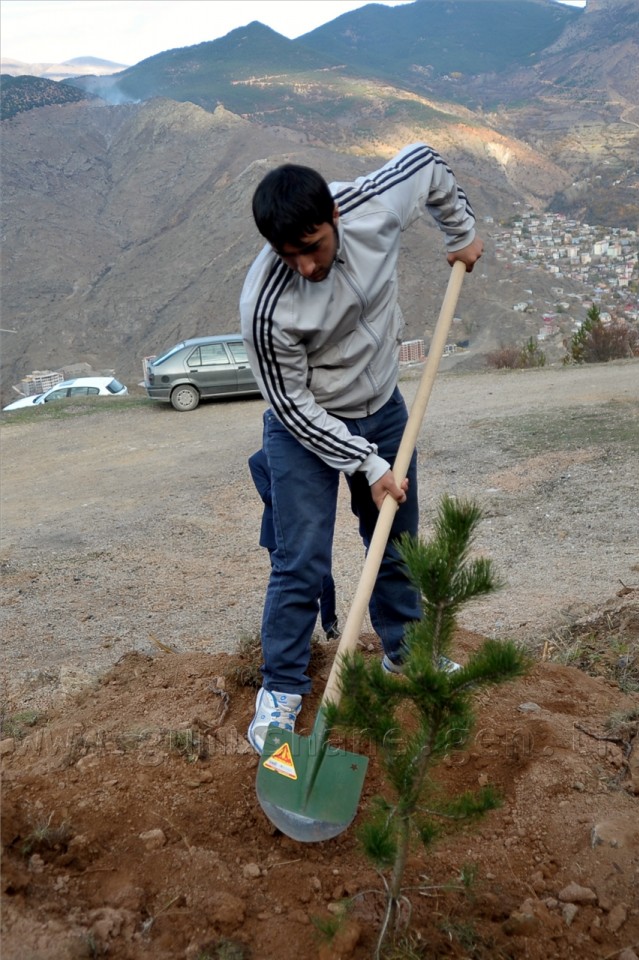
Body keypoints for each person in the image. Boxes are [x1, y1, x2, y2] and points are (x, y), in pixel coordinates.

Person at [240, 142, 483, 753]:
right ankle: (282, 690)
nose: (304, 266)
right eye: (287, 254)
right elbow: (292, 406)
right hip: (306, 426)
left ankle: (403, 652)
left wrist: (460, 232)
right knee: (301, 559)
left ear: (334, 216)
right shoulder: (266, 306)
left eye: (313, 246)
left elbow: (426, 163)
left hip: (383, 405)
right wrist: (368, 463)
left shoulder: (373, 206)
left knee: (395, 539)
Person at [248, 448, 340, 641]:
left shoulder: (296, 452)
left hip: (304, 525)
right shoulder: (256, 460)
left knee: (324, 577)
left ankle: (330, 625)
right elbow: (266, 495)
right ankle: (293, 633)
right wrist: (291, 485)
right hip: (275, 532)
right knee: (286, 583)